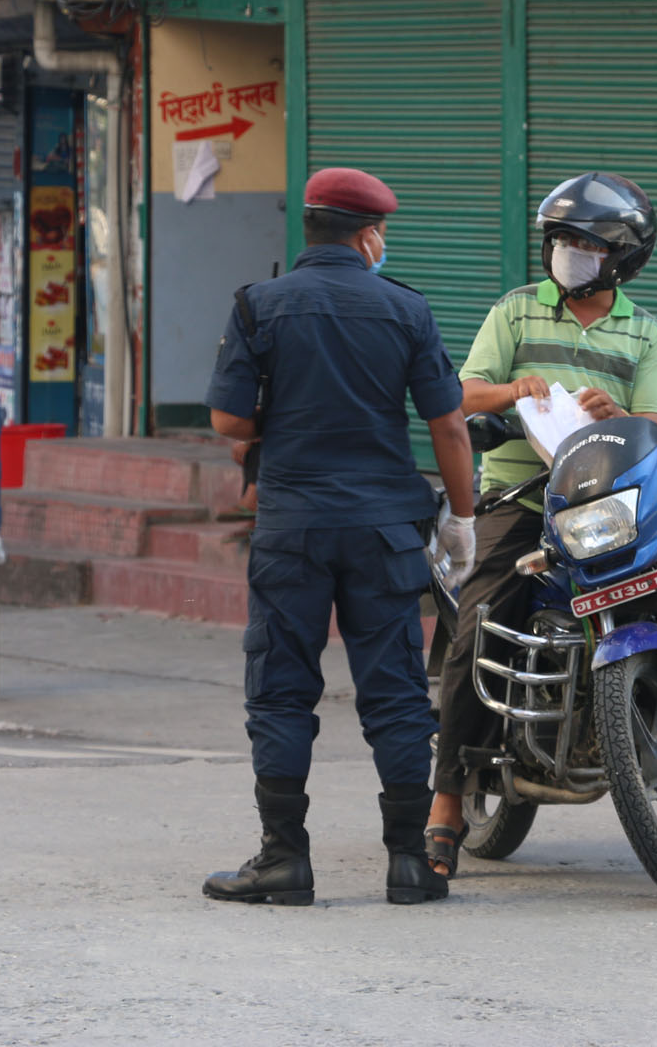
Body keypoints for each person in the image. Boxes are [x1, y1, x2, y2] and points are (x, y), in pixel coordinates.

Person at [202, 167, 478, 907]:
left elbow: (229, 421)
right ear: (369, 237)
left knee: (281, 691)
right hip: (383, 532)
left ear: (310, 229)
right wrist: (463, 517)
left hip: (292, 528)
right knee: (394, 695)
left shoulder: (259, 305)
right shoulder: (405, 309)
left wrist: (288, 413)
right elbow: (449, 424)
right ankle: (410, 864)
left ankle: (284, 860)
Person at [423, 172, 657, 880]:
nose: (570, 252)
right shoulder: (516, 312)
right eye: (562, 240)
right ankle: (446, 801)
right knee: (479, 631)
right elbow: (461, 393)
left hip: (610, 510)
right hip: (521, 501)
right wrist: (512, 390)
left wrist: (619, 417)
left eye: (586, 243)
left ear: (622, 255)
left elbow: (656, 423)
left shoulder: (644, 332)